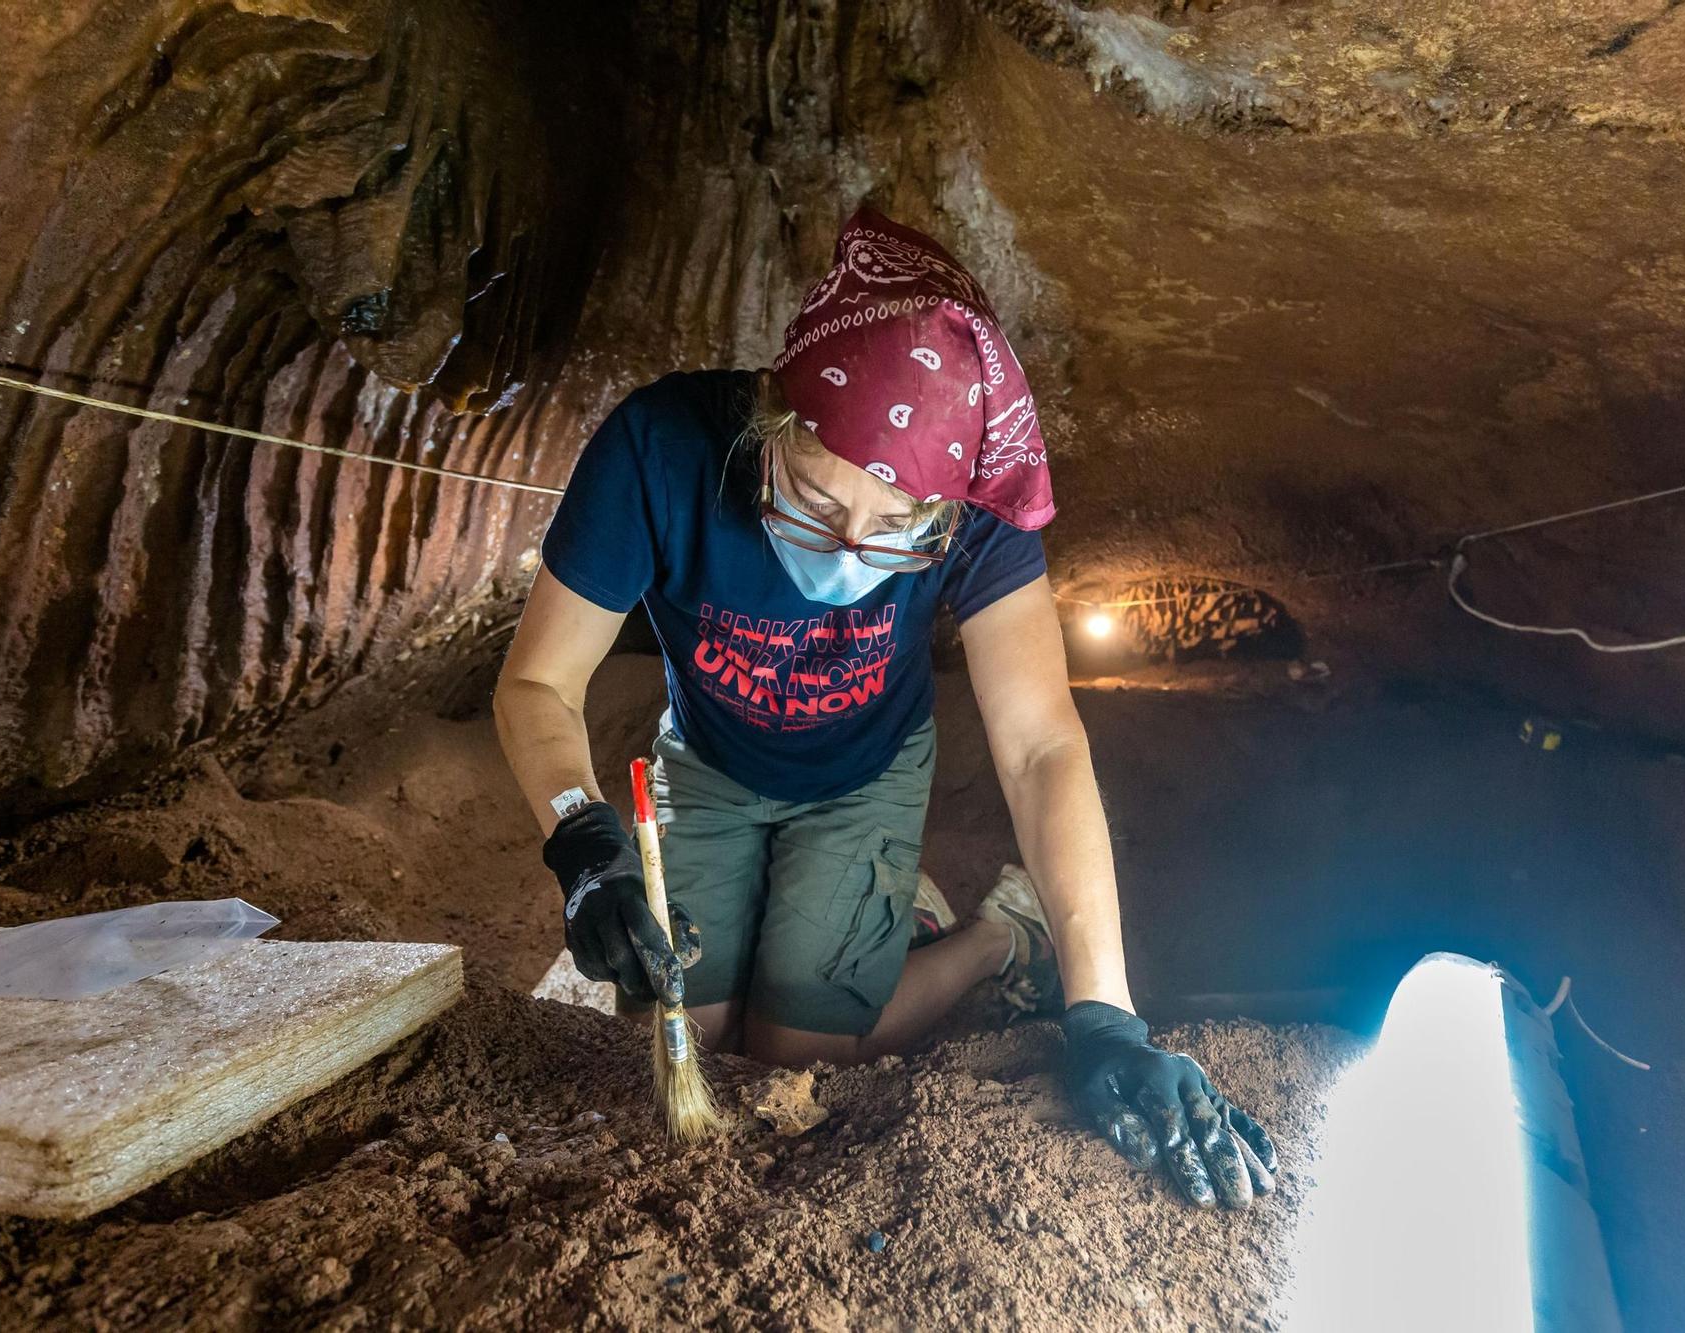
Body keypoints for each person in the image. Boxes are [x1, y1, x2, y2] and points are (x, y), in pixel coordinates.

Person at [494, 205, 1276, 1207]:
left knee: (790, 1054)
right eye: (815, 505)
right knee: (691, 1026)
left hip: (864, 769)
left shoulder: (976, 512)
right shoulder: (660, 449)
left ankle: (998, 935)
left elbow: (1039, 746)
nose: (848, 553)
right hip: (709, 756)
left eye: (898, 531)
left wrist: (1105, 1015)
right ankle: (867, 923)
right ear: (770, 418)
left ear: (946, 511)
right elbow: (536, 683)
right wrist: (582, 842)